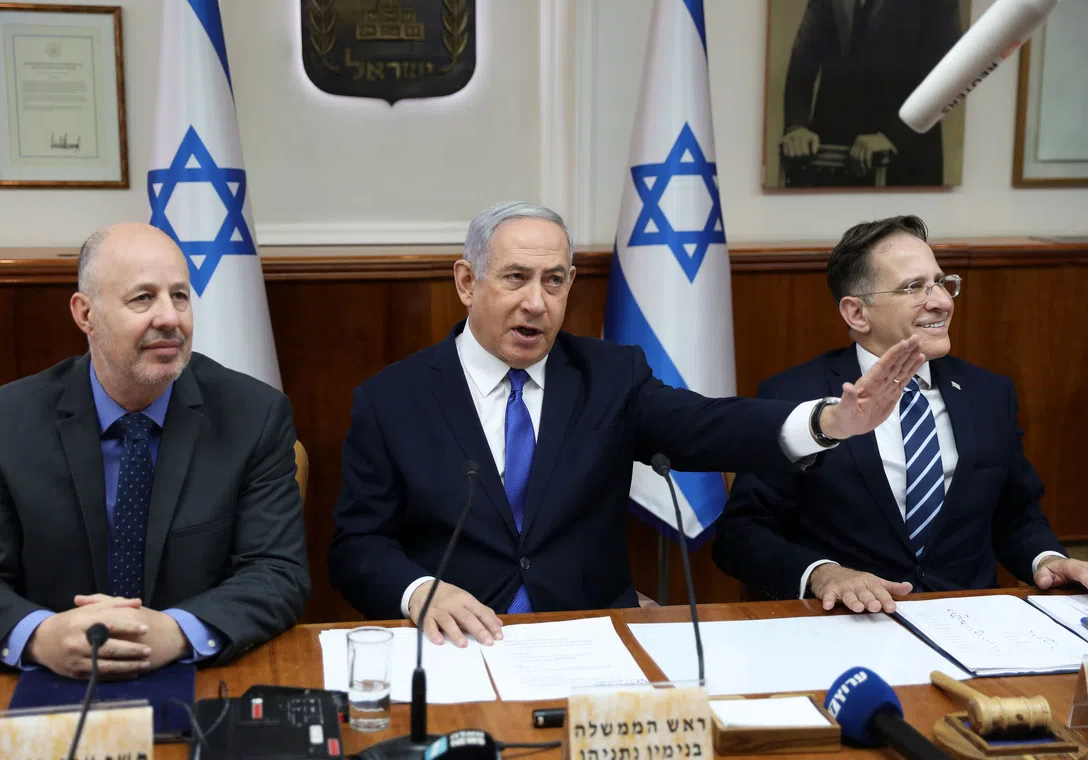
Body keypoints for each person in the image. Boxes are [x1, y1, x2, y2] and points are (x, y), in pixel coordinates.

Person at [330, 201, 924, 647]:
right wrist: (418, 591)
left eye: (554, 280)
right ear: (467, 282)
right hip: (455, 645)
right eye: (515, 277)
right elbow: (358, 545)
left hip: (591, 639)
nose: (537, 302)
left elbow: (706, 425)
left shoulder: (610, 375)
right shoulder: (393, 400)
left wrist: (830, 420)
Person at [0, 223, 310, 677]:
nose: (170, 318)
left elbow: (277, 572)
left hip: (199, 671)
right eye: (143, 298)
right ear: (85, 314)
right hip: (51, 679)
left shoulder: (252, 415)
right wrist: (41, 637)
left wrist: (177, 632)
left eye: (180, 296)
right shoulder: (3, 423)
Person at [713, 215, 1088, 613]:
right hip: (850, 620)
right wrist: (823, 574)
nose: (942, 301)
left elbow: (1016, 516)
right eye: (914, 287)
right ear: (857, 313)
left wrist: (1047, 559)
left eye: (941, 282)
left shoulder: (989, 394)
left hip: (969, 618)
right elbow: (742, 535)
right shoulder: (795, 398)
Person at [779, 0, 961, 187]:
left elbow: (950, 74)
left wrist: (891, 136)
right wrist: (797, 126)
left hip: (906, 160)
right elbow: (803, 57)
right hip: (833, 159)